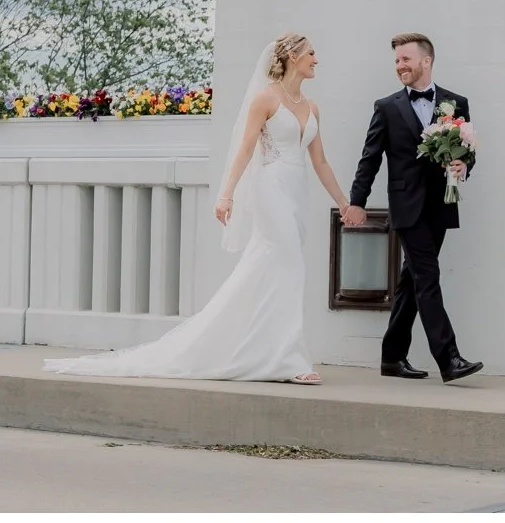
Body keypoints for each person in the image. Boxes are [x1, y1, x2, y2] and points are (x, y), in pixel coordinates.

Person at [43, 33, 363, 384]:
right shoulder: (265, 99)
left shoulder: (311, 107)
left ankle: (257, 348)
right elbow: (244, 151)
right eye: (312, 53)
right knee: (289, 264)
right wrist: (226, 195)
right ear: (291, 55)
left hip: (297, 193)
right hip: (270, 190)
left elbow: (321, 162)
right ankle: (290, 359)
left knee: (276, 270)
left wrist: (344, 203)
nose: (317, 59)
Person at [345, 33, 482, 383]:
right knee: (427, 276)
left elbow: (467, 151)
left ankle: (391, 357)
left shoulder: (456, 102)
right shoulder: (387, 107)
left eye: (405, 59)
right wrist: (356, 202)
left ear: (426, 60)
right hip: (406, 205)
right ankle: (449, 358)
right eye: (396, 61)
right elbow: (370, 158)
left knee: (413, 280)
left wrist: (463, 166)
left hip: (441, 204)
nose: (400, 66)